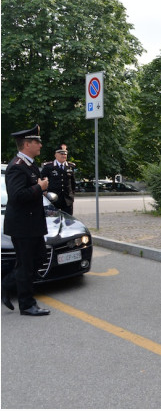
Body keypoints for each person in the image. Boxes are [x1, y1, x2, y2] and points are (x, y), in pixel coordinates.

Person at [1, 124, 51, 316]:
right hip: (22, 225)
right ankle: (27, 304)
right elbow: (16, 195)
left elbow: (28, 192)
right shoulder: (17, 167)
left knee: (38, 258)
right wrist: (39, 188)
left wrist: (40, 188)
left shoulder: (30, 164)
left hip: (32, 224)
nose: (40, 144)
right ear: (27, 144)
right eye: (37, 141)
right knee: (27, 264)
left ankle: (7, 283)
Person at [41, 143, 76, 215]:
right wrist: (45, 192)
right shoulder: (49, 167)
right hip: (53, 199)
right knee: (53, 221)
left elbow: (73, 182)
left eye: (65, 154)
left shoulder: (70, 166)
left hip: (67, 199)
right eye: (61, 153)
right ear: (55, 155)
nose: (63, 155)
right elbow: (41, 179)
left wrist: (72, 194)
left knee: (68, 222)